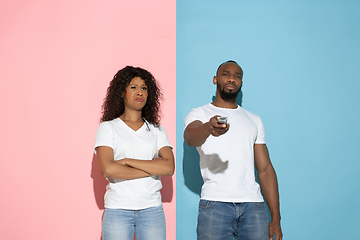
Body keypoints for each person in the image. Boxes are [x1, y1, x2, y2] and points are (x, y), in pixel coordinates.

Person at [184, 60, 282, 240]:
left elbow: (265, 170)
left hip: (254, 206)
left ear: (241, 83)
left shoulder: (254, 120)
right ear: (215, 79)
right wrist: (208, 128)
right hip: (215, 205)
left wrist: (276, 218)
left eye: (237, 76)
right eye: (226, 74)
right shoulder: (200, 113)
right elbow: (190, 137)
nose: (232, 79)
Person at [94, 66, 175, 240]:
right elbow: (108, 169)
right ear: (122, 93)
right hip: (117, 210)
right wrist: (153, 167)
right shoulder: (108, 128)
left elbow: (169, 167)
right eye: (133, 87)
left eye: (144, 88)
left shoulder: (156, 130)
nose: (140, 92)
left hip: (152, 209)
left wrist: (126, 161)